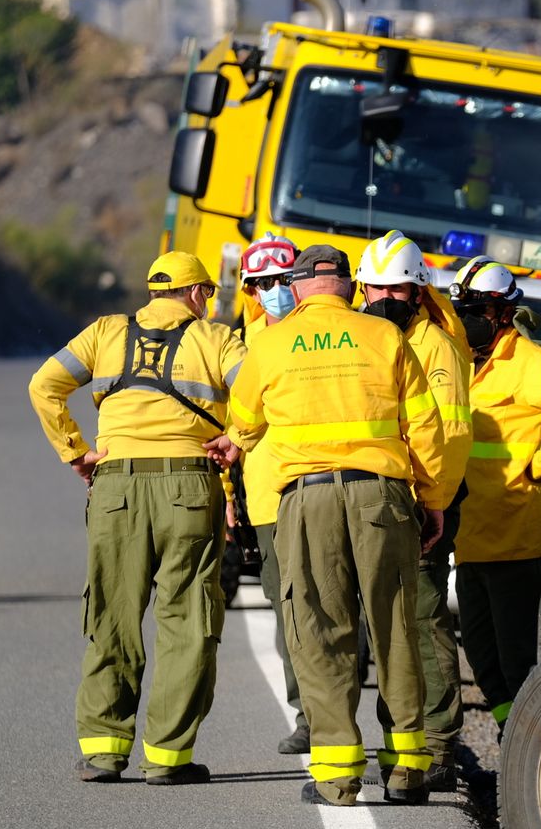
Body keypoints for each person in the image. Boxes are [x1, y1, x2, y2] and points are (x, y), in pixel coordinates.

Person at [215, 244, 456, 807]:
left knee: (319, 630)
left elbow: (243, 424)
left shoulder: (270, 344)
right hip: (383, 497)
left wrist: (241, 444)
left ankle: (338, 777)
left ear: (297, 288)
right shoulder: (387, 337)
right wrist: (433, 501)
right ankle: (407, 771)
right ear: (348, 287)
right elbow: (425, 428)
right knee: (395, 628)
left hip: (307, 500)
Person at [28, 250, 245, 785]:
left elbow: (44, 385)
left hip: (115, 485)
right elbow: (264, 391)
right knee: (188, 620)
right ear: (195, 292)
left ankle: (103, 752)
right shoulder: (216, 339)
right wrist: (238, 439)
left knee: (113, 614)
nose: (207, 301)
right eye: (207, 293)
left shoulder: (105, 332)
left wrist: (76, 451)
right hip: (188, 486)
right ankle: (167, 757)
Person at [448, 256, 541, 733]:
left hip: (516, 538)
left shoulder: (529, 363)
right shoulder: (464, 364)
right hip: (471, 538)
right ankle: (511, 733)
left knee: (518, 660)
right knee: (482, 657)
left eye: (476, 310)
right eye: (462, 308)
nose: (467, 318)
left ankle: (530, 741)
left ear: (502, 314)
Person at [355, 230, 472, 791]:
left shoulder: (436, 347)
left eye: (396, 289)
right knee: (387, 629)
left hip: (427, 504)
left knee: (422, 622)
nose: (384, 298)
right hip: (380, 501)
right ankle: (401, 748)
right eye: (375, 289)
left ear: (418, 292)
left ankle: (439, 747)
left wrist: (433, 506)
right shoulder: (369, 338)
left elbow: (450, 436)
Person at [234, 231, 311, 754]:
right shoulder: (243, 346)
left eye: (283, 279)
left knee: (333, 607)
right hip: (267, 498)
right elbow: (229, 425)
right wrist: (228, 496)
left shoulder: (323, 334)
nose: (274, 291)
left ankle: (337, 715)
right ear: (250, 290)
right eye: (263, 284)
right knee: (287, 611)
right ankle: (308, 716)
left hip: (321, 487)